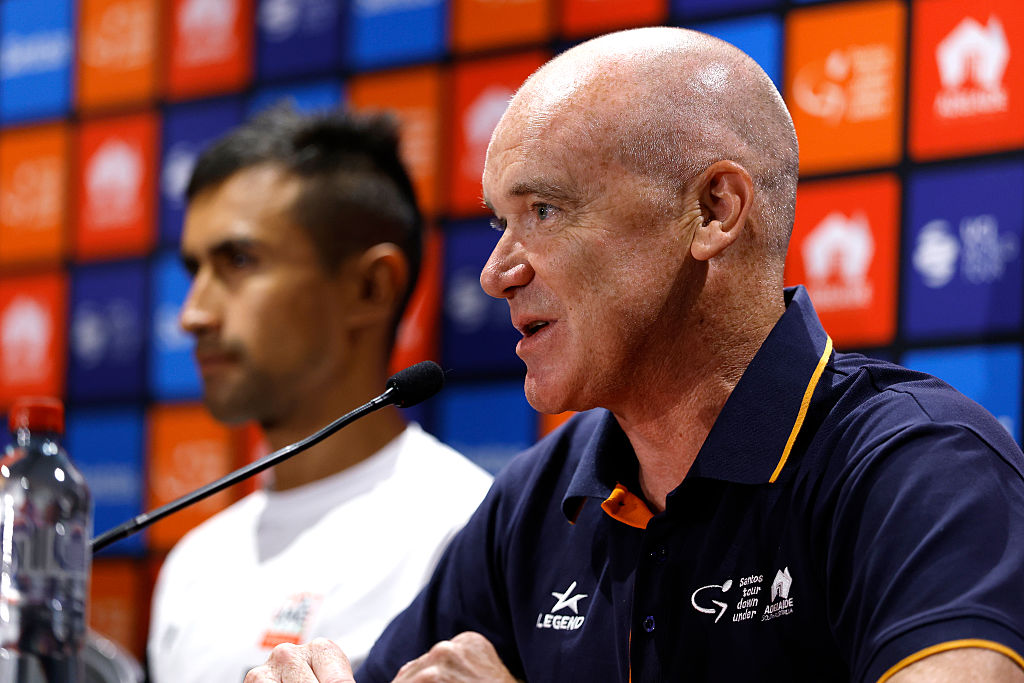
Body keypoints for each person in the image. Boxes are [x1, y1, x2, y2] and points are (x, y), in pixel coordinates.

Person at [244, 27, 1024, 683]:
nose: (496, 273)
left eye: (544, 211)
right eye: (498, 223)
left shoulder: (922, 467)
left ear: (714, 210)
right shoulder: (538, 499)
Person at [147, 107, 493, 683]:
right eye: (193, 270)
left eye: (238, 261)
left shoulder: (464, 532)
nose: (193, 314)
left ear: (369, 286)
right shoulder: (193, 564)